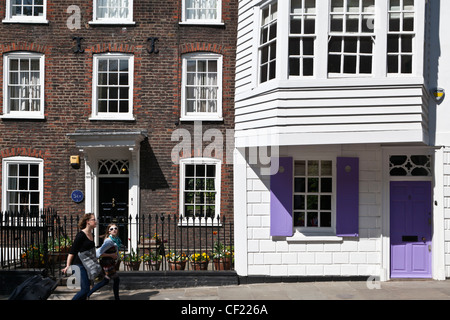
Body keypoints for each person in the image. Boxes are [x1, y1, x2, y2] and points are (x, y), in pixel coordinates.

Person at [62, 213, 97, 300]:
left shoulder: (91, 234)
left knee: (87, 290)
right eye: (94, 219)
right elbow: (72, 252)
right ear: (88, 222)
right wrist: (67, 265)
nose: (96, 221)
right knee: (85, 290)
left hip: (87, 265)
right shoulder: (81, 235)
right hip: (78, 265)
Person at [87, 223, 121, 300]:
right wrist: (111, 255)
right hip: (106, 263)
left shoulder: (115, 239)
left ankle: (88, 294)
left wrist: (116, 257)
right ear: (109, 232)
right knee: (116, 279)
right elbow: (99, 253)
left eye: (115, 228)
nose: (114, 230)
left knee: (107, 280)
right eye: (111, 229)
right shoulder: (108, 241)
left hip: (110, 263)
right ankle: (117, 298)